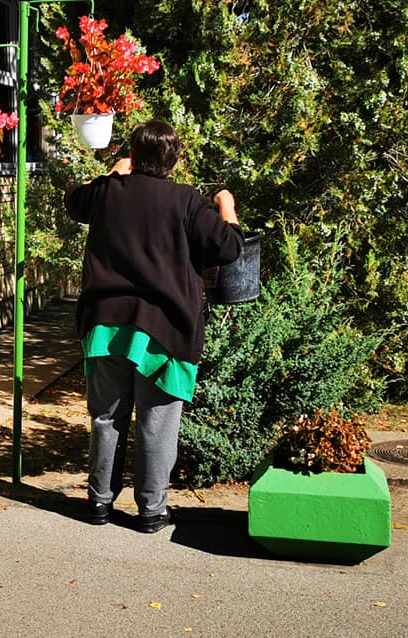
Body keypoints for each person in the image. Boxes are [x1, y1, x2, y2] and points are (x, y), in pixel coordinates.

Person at [65, 120, 244, 533]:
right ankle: (151, 510)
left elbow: (74, 201)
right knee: (157, 423)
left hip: (107, 325)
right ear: (173, 159)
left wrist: (112, 173)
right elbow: (229, 247)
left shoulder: (107, 192)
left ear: (133, 154)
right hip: (164, 331)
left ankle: (99, 502)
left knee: (106, 417)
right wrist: (226, 204)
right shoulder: (186, 200)